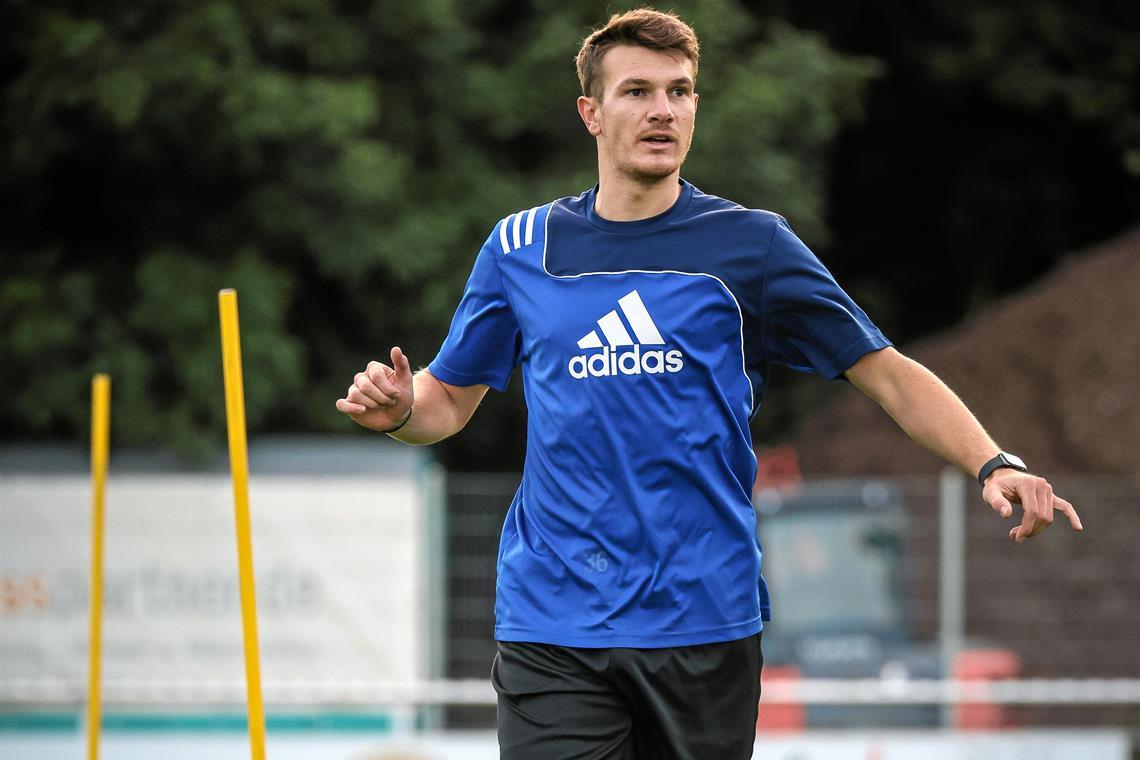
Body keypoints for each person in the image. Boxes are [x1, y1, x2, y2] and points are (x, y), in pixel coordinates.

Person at [335, 8, 1083, 759]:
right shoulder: (521, 247)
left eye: (680, 91)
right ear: (590, 113)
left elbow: (885, 373)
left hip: (703, 621)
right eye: (636, 92)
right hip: (554, 617)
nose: (662, 110)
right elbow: (447, 402)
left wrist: (994, 462)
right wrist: (402, 410)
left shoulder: (751, 245)